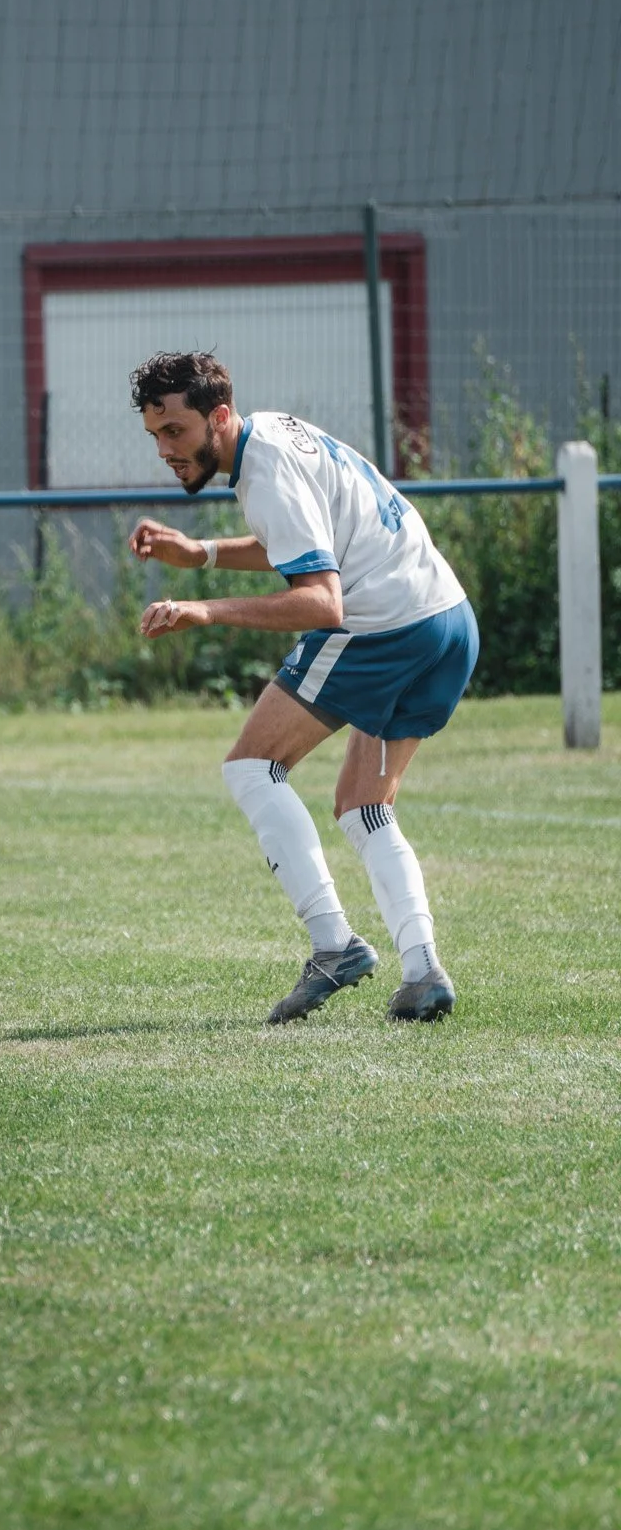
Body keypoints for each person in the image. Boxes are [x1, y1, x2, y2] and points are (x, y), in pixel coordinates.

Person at [128, 350, 478, 1025]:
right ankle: (422, 971)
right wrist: (200, 553)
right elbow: (305, 541)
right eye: (155, 436)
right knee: (363, 805)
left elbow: (322, 602)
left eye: (176, 432)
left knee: (252, 767)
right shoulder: (276, 435)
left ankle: (334, 946)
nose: (166, 450)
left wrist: (204, 609)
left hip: (385, 630)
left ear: (218, 417)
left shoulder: (262, 471)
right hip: (446, 620)